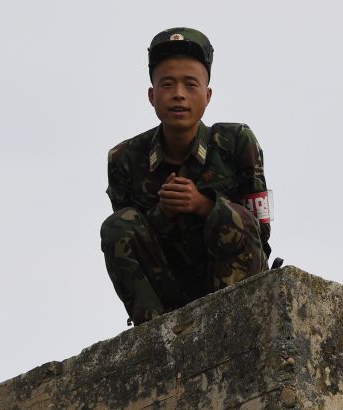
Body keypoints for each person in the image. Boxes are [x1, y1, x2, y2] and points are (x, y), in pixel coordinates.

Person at [101, 27, 273, 326]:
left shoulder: (236, 142)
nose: (179, 94)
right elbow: (131, 244)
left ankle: (233, 323)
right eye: (167, 84)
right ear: (152, 96)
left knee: (231, 216)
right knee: (118, 225)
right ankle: (153, 334)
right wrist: (163, 213)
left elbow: (260, 231)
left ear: (207, 96)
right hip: (168, 291)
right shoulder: (125, 159)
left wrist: (203, 205)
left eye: (190, 84)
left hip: (235, 284)